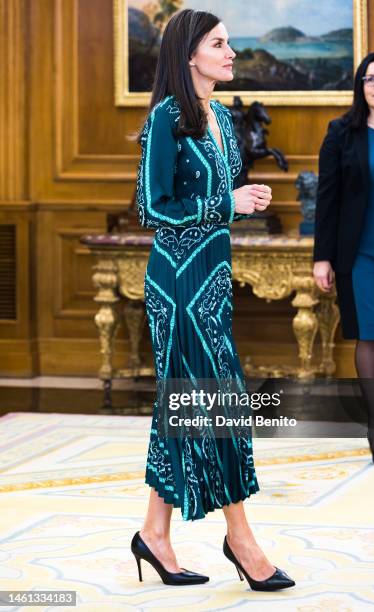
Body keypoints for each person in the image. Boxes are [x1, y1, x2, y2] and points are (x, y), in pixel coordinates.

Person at [131, 9, 295, 592]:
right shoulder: (166, 120)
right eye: (219, 44)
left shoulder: (222, 118)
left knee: (187, 403)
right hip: (177, 285)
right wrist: (230, 204)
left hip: (213, 279)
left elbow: (219, 196)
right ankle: (243, 542)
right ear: (190, 54)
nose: (230, 52)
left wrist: (237, 196)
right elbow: (153, 206)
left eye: (229, 43)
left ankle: (154, 532)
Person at [313, 51, 374, 465]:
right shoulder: (341, 132)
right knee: (371, 335)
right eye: (371, 79)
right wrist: (322, 258)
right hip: (361, 251)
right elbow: (327, 199)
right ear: (360, 86)